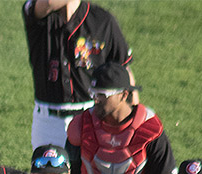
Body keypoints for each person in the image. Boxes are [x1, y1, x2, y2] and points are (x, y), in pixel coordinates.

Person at [22, 0, 132, 148]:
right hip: (48, 122)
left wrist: (131, 121)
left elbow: (124, 74)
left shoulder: (102, 20)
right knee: (46, 170)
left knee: (92, 171)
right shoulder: (38, 16)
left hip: (93, 116)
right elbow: (48, 2)